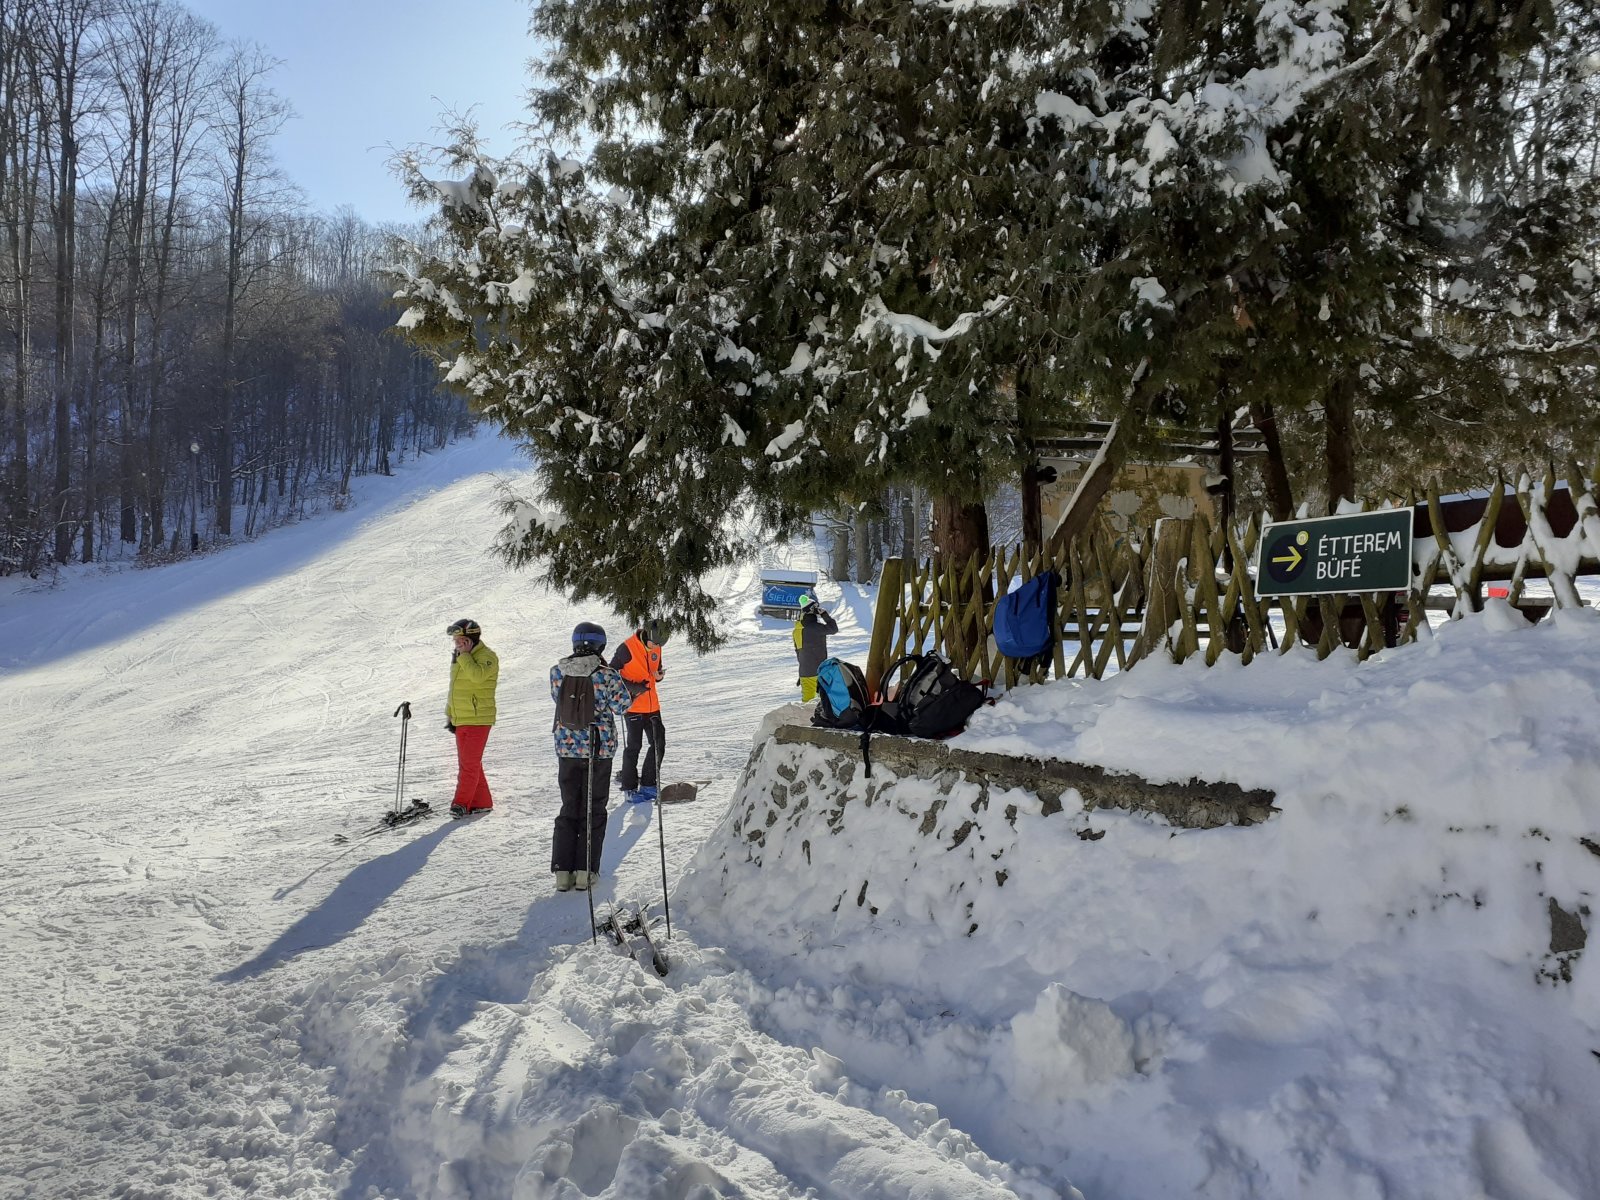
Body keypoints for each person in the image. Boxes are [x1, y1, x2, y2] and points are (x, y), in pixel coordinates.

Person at [549, 621, 633, 892]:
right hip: (598, 749)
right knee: (594, 807)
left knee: (569, 806)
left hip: (566, 748)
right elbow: (621, 706)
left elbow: (557, 700)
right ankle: (586, 870)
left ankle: (563, 872)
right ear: (600, 646)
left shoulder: (557, 672)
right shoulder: (606, 675)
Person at [445, 617, 499, 818]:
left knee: (468, 764)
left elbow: (477, 677)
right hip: (462, 718)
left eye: (460, 640)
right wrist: (450, 713)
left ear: (472, 639)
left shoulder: (488, 657)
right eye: (456, 641)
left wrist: (465, 656)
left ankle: (461, 804)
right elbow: (454, 687)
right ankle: (482, 802)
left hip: (479, 719)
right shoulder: (460, 657)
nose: (457, 644)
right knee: (470, 763)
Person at [610, 621, 666, 804]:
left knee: (658, 743)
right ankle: (629, 787)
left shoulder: (657, 646)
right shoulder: (627, 648)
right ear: (646, 635)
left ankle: (649, 784)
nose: (656, 647)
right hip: (633, 705)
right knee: (634, 746)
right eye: (654, 643)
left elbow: (655, 670)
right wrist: (634, 687)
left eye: (659, 645)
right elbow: (611, 674)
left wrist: (659, 675)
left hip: (652, 706)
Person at [793, 593, 838, 702]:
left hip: (805, 672)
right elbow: (833, 629)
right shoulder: (816, 627)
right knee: (821, 705)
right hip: (819, 671)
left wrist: (802, 671)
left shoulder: (797, 630)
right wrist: (824, 615)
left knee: (806, 703)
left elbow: (799, 653)